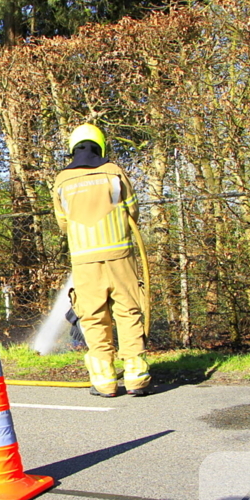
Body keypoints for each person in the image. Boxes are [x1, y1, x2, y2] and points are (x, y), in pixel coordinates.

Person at [51, 123, 150, 397]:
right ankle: (136, 376)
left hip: (84, 259)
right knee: (128, 311)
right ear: (101, 145)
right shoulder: (114, 172)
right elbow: (133, 209)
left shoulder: (62, 181)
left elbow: (63, 222)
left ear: (73, 148)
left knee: (93, 317)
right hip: (120, 255)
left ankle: (105, 380)